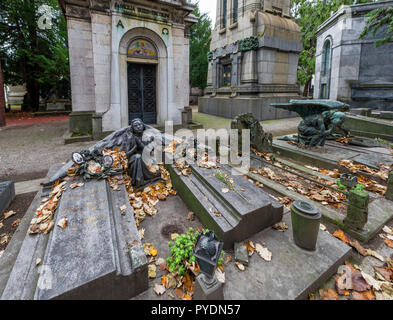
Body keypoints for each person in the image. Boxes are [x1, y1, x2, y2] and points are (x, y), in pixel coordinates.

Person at [126, 118, 160, 187]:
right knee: (137, 157)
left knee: (156, 171)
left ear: (143, 125)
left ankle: (147, 177)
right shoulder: (131, 138)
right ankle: (139, 181)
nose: (138, 126)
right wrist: (134, 148)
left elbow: (150, 151)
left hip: (147, 158)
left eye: (140, 124)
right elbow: (126, 155)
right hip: (134, 160)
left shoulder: (147, 136)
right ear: (132, 128)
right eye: (136, 125)